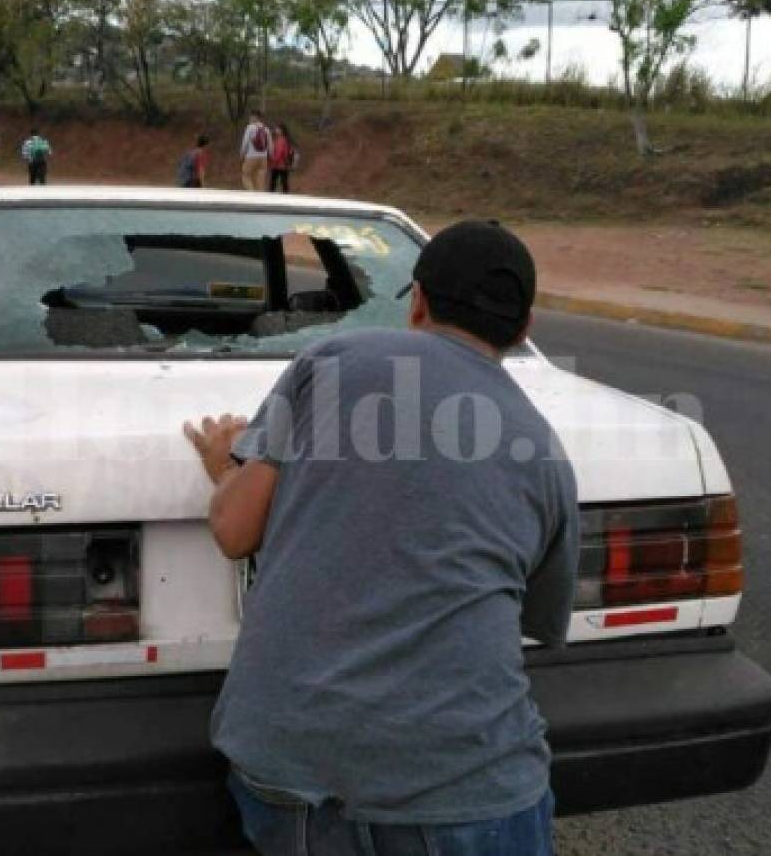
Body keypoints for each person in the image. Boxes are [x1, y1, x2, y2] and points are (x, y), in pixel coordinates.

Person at [184, 220, 579, 856]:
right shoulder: (546, 452)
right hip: (472, 793)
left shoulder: (335, 361)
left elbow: (234, 532)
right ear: (525, 326)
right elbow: (532, 619)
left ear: (417, 302)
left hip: (288, 770)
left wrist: (226, 464)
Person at [239, 110, 270, 191]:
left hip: (251, 156)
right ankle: (260, 197)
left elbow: (245, 143)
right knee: (261, 180)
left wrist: (242, 154)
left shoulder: (250, 127)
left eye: (250, 116)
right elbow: (270, 145)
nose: (249, 118)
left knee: (246, 176)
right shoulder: (266, 129)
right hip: (263, 157)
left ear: (255, 117)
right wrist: (269, 156)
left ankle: (252, 194)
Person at [267, 123, 296, 193]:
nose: (276, 130)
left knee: (274, 181)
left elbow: (280, 152)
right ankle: (285, 195)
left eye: (277, 129)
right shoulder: (284, 139)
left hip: (279, 164)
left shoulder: (281, 140)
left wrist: (274, 161)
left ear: (282, 131)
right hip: (284, 164)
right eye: (276, 129)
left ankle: (271, 195)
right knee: (284, 181)